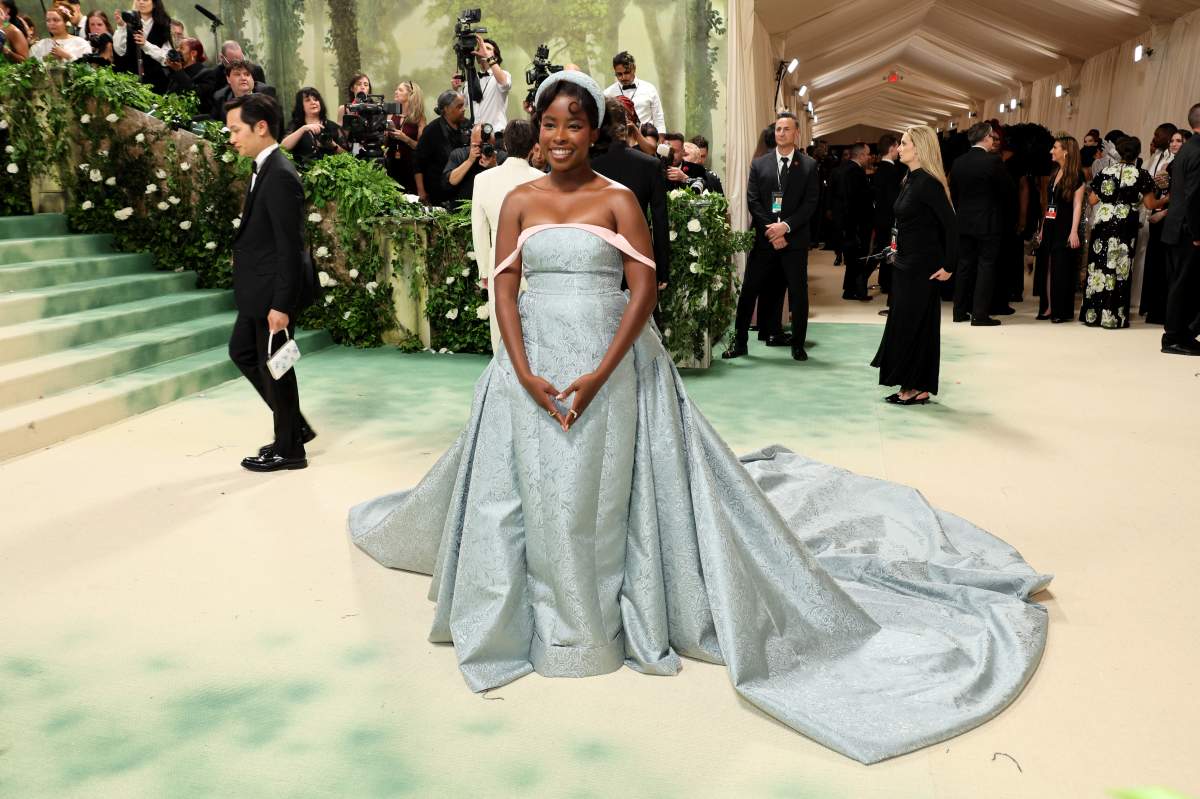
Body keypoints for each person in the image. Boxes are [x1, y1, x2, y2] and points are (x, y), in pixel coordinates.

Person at [346, 70, 1050, 767]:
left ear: (595, 130)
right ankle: (520, 621)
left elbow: (644, 286)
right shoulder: (520, 199)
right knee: (520, 492)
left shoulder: (618, 199)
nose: (561, 138)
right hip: (529, 365)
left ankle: (600, 622)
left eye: (575, 125)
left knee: (602, 488)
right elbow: (503, 280)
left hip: (609, 363)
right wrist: (521, 366)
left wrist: (601, 371)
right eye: (550, 124)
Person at [224, 92, 316, 472]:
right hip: (257, 290)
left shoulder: (279, 174)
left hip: (271, 294)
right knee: (244, 352)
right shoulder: (263, 167)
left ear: (261, 127)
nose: (231, 138)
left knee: (276, 364)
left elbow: (290, 247)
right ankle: (292, 428)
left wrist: (281, 305)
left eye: (236, 130)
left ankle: (290, 449)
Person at [722, 111, 820, 362]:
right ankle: (740, 343)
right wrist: (772, 230)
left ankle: (798, 345)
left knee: (798, 294)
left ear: (796, 133)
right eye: (778, 129)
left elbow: (810, 204)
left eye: (786, 129)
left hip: (794, 241)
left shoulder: (808, 166)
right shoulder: (759, 164)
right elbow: (753, 201)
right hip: (766, 240)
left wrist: (785, 227)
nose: (781, 133)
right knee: (749, 292)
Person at [871, 126, 956, 405]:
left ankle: (916, 387)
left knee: (916, 326)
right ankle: (911, 384)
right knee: (905, 324)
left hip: (922, 268)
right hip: (905, 264)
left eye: (905, 143)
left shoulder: (929, 183)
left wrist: (949, 265)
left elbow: (951, 226)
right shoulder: (910, 179)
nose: (899, 148)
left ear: (919, 148)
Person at [471, 118, 545, 351]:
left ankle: (503, 377)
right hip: (537, 262)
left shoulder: (482, 179)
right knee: (537, 328)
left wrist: (484, 268)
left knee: (500, 326)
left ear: (504, 145)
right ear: (534, 145)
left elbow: (479, 229)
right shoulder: (544, 180)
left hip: (498, 259)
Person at [1078, 137, 1161, 329]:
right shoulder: (1141, 174)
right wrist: (1167, 200)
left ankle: (1093, 314)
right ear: (1137, 153)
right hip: (1125, 224)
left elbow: (1091, 201)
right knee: (1120, 269)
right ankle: (1114, 316)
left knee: (1098, 267)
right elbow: (1150, 204)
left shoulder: (1105, 172)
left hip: (1103, 222)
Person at [590, 98, 670, 292]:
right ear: (626, 126)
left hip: (593, 258)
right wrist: (662, 269)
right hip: (638, 256)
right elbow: (660, 221)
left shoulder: (585, 164)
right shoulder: (650, 165)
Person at [949, 122, 1015, 326]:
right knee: (986, 266)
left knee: (964, 266)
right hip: (988, 221)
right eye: (992, 137)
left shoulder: (958, 162)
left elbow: (955, 192)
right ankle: (979, 314)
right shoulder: (993, 162)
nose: (994, 140)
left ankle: (959, 311)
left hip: (964, 221)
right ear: (986, 138)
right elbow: (1009, 191)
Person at [1159, 103, 1200, 356]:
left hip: (1179, 227)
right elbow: (1195, 197)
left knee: (1183, 284)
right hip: (1188, 230)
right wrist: (1197, 234)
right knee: (1183, 285)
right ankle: (1174, 337)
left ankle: (1182, 333)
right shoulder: (1197, 150)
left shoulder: (1187, 149)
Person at [1035, 136, 1085, 322]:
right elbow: (1049, 204)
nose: (1051, 151)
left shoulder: (1077, 176)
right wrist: (1041, 228)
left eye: (1055, 147)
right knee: (1047, 266)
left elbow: (1077, 205)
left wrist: (1073, 231)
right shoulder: (1055, 171)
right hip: (1050, 224)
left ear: (1066, 151)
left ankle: (1060, 310)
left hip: (1065, 226)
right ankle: (1047, 307)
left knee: (1061, 269)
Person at [1141, 129, 1188, 323]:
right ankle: (1156, 311)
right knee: (1158, 266)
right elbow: (1167, 193)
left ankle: (1167, 313)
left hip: (1174, 219)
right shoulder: (1169, 164)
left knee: (1169, 269)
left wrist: (1162, 212)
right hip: (1162, 219)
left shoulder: (1186, 165)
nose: (1174, 144)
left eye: (1179, 141)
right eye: (1172, 141)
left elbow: (1183, 196)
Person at [832, 142, 874, 301]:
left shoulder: (845, 169)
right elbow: (855, 199)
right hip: (856, 222)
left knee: (853, 258)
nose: (869, 157)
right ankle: (856, 290)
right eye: (868, 154)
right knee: (858, 257)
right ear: (861, 155)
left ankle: (850, 290)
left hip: (848, 222)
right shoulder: (854, 172)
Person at [413, 89, 466, 206]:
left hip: (462, 192)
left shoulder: (467, 126)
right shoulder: (431, 131)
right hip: (438, 193)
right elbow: (418, 163)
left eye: (464, 105)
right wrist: (421, 192)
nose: (463, 109)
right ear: (446, 109)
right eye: (459, 106)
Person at [871, 133, 904, 306]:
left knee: (884, 250)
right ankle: (886, 283)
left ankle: (884, 282)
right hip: (890, 218)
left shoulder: (881, 169)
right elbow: (893, 199)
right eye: (898, 146)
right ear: (891, 148)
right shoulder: (891, 170)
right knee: (888, 251)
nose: (899, 150)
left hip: (881, 217)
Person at [112, 0, 172, 93]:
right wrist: (121, 26)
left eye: (145, 0)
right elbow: (120, 51)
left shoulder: (162, 24)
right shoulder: (128, 20)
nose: (141, 2)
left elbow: (166, 58)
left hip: (155, 83)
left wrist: (146, 45)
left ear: (155, 3)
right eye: (138, 0)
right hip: (130, 82)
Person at [280, 86, 346, 167]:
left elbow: (346, 155)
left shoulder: (332, 126)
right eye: (307, 100)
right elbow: (283, 147)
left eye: (316, 99)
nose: (313, 102)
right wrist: (303, 129)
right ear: (301, 106)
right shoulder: (295, 126)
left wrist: (333, 145)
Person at [442, 121, 503, 207]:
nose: (483, 148)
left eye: (487, 145)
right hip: (461, 213)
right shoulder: (459, 154)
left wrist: (494, 166)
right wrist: (469, 161)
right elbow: (450, 181)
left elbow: (507, 187)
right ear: (471, 141)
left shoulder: (501, 157)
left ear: (493, 143)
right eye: (477, 145)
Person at [603, 50, 665, 134]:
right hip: (620, 140)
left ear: (634, 68)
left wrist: (660, 141)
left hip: (647, 138)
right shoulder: (607, 93)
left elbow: (658, 118)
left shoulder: (649, 89)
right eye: (619, 74)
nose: (623, 77)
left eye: (627, 72)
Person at [385, 80, 425, 193]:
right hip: (392, 164)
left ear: (411, 94)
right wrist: (385, 134)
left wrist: (405, 138)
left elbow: (421, 148)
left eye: (400, 90)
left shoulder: (419, 118)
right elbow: (384, 143)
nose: (396, 92)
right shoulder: (391, 114)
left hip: (411, 167)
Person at [468, 36, 510, 132]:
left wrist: (488, 57)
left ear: (495, 57)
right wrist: (456, 89)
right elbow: (463, 104)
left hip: (497, 134)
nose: (483, 50)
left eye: (488, 48)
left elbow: (504, 84)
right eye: (480, 48)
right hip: (475, 136)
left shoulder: (504, 75)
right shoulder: (471, 80)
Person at [164, 37, 216, 105]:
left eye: (181, 48)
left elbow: (194, 95)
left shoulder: (207, 74)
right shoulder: (177, 70)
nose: (177, 50)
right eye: (177, 48)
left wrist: (179, 72)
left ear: (193, 53)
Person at [210, 60, 275, 111]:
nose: (243, 78)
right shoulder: (220, 97)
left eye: (247, 74)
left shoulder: (266, 93)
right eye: (237, 74)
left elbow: (276, 123)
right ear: (228, 79)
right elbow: (215, 123)